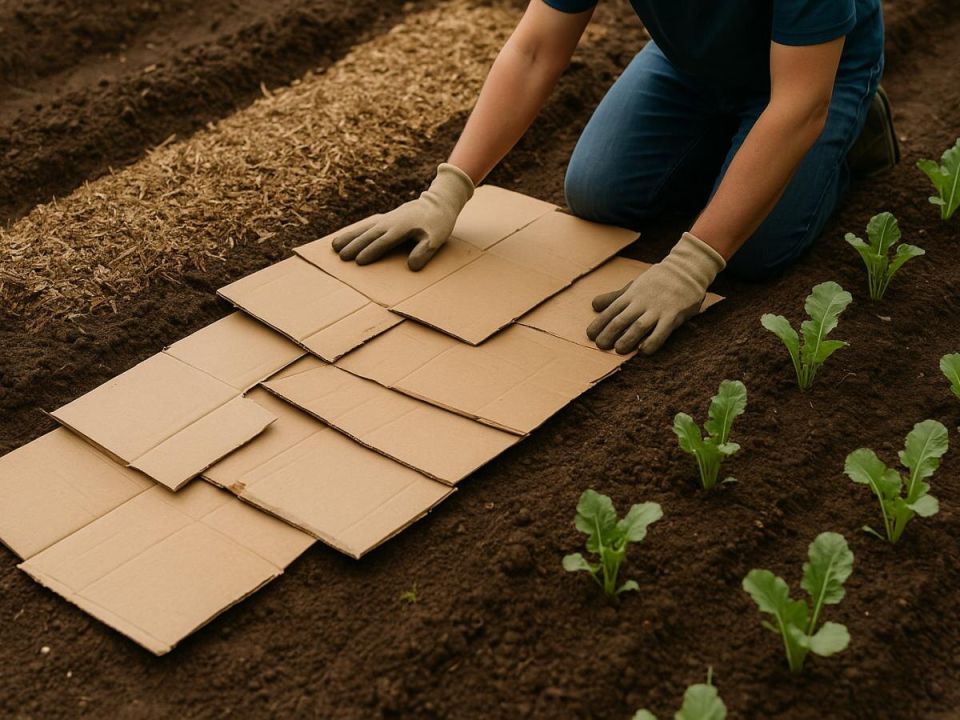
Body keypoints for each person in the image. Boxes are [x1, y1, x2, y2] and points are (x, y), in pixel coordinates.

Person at [331, 0, 896, 355]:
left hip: (812, 77)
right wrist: (446, 191)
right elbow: (533, 49)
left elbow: (796, 104)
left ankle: (850, 130)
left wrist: (692, 262)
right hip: (690, 63)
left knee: (752, 256)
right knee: (598, 193)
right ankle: (732, 143)